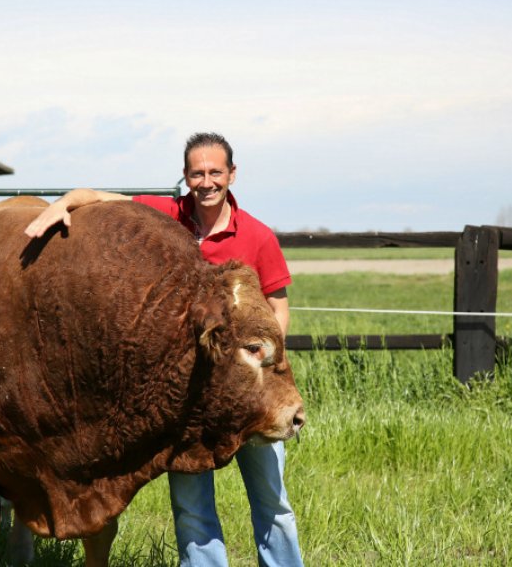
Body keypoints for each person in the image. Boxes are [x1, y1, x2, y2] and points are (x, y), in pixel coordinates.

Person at [25, 132, 303, 567]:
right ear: (186, 177)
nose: (206, 181)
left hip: (249, 388)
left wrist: (257, 365)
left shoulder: (258, 236)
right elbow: (98, 196)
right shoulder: (169, 219)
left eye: (215, 172)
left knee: (272, 502)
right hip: (189, 394)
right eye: (197, 173)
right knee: (192, 507)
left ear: (232, 174)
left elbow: (278, 310)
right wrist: (61, 205)